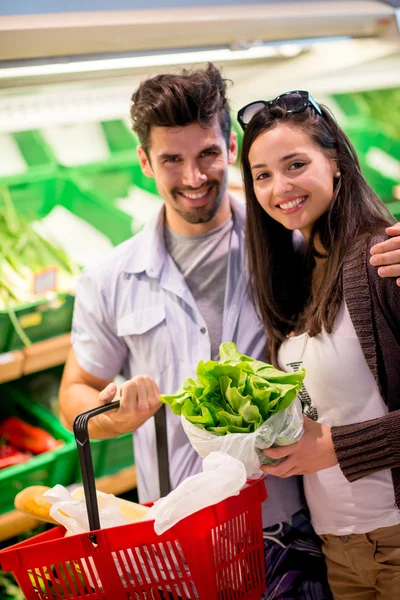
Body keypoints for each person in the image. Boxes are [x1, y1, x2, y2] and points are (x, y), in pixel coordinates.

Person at [59, 67, 400, 598]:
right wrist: (114, 416)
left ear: (230, 147)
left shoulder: (291, 244)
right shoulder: (108, 280)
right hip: (179, 534)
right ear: (146, 161)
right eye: (172, 159)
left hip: (294, 528)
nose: (194, 177)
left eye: (207, 155)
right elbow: (73, 394)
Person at [238, 89, 400, 598]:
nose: (278, 187)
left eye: (294, 164)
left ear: (336, 164)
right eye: (262, 175)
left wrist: (334, 447)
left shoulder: (383, 258)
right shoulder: (295, 273)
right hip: (338, 549)